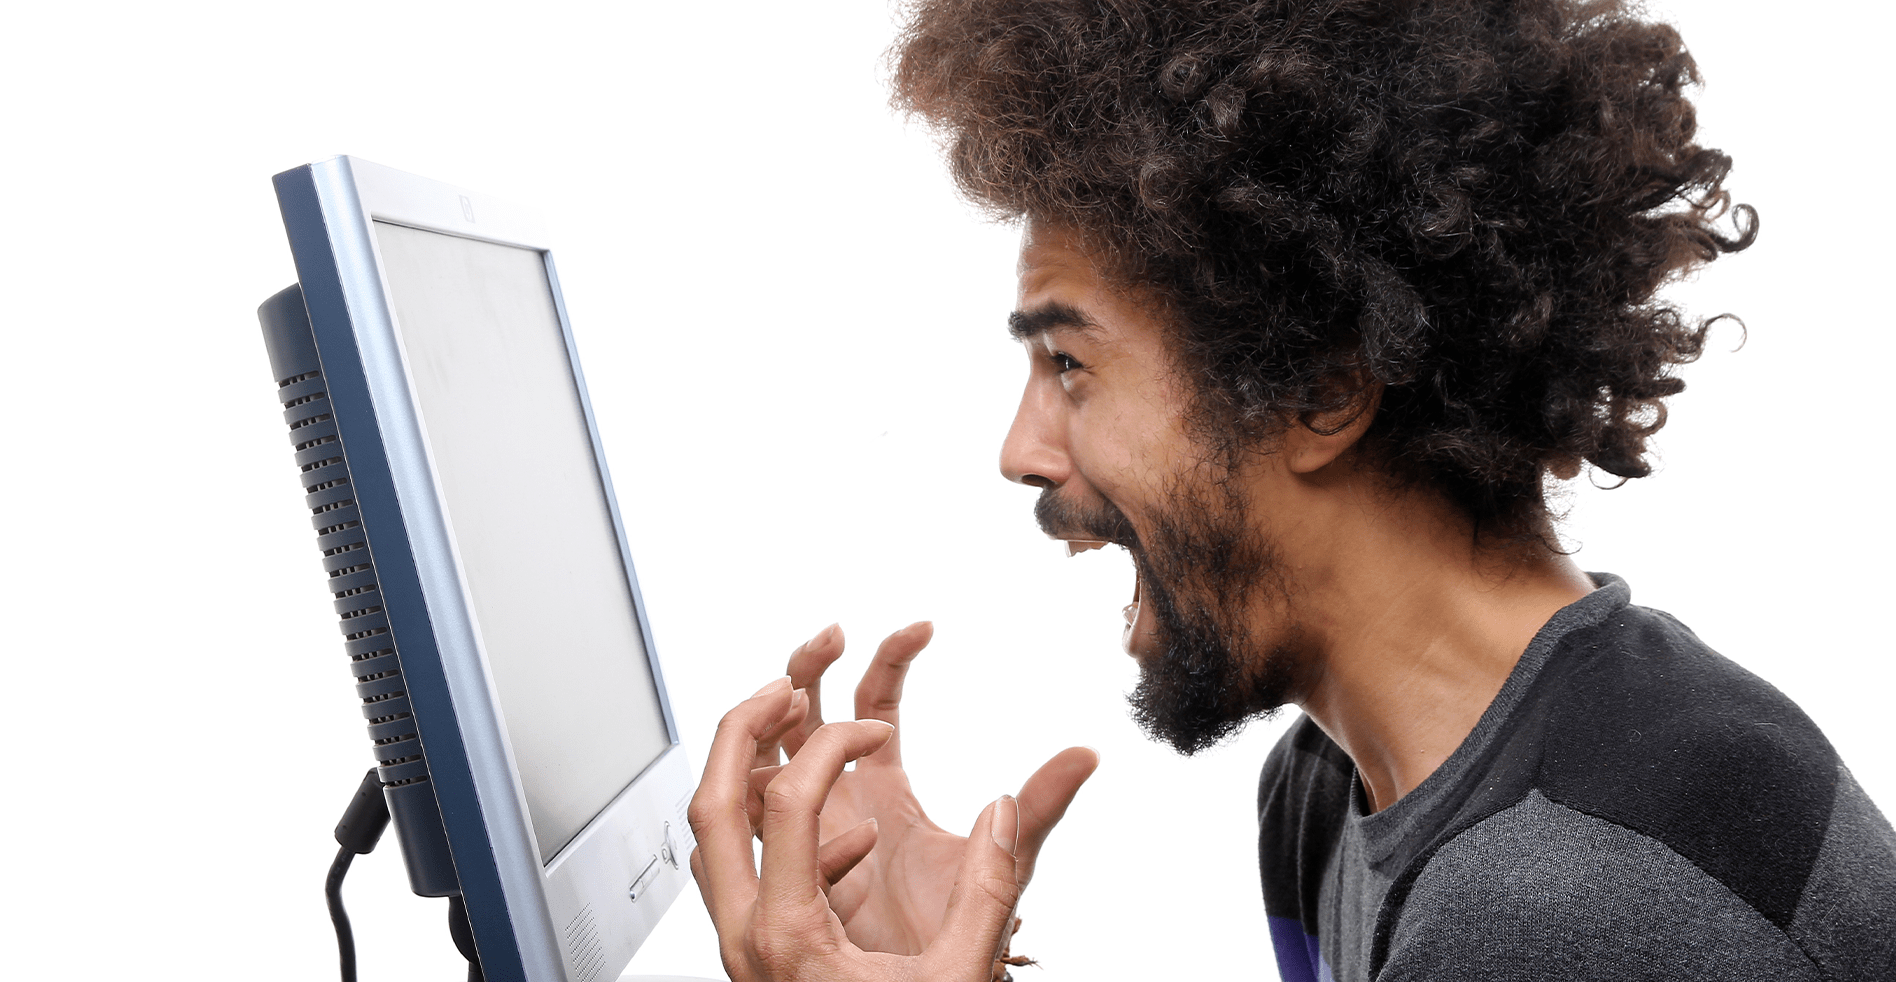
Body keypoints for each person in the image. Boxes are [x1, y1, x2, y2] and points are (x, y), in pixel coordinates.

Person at [685, 1, 1896, 979]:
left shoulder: (1572, 912)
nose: (1022, 449)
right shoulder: (1330, 793)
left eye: (1069, 363)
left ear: (1322, 388)